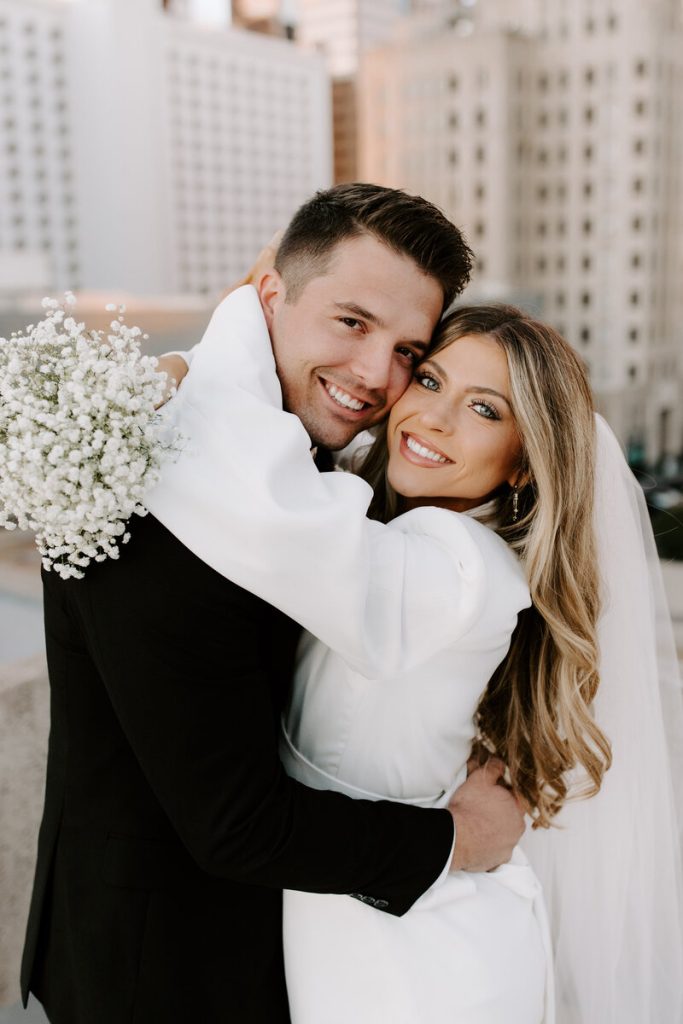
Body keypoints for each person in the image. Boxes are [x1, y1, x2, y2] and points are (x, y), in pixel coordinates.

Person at [20, 184, 528, 1024]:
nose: (376, 377)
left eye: (408, 349)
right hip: (161, 968)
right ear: (268, 296)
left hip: (271, 951)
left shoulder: (277, 461)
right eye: (351, 322)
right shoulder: (160, 477)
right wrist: (455, 840)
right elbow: (235, 825)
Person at [155, 291, 683, 1021]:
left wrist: (194, 359)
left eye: (485, 410)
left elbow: (259, 511)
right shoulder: (404, 531)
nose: (434, 416)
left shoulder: (460, 568)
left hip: (423, 963)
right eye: (430, 380)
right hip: (361, 922)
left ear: (524, 466)